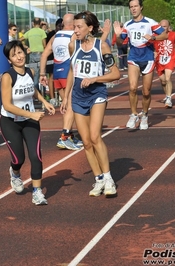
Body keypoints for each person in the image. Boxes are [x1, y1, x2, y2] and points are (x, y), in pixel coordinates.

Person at [60, 11, 120, 197]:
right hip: (78, 97)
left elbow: (116, 74)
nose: (75, 30)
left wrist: (95, 79)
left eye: (79, 27)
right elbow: (72, 71)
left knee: (95, 137)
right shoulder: (73, 46)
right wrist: (66, 96)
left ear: (90, 28)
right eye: (74, 26)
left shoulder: (101, 46)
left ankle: (109, 178)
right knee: (86, 142)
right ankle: (98, 179)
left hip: (97, 95)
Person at [0, 40, 55, 205]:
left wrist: (45, 102)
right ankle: (15, 173)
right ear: (9, 60)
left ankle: (37, 192)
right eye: (14, 55)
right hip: (10, 123)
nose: (18, 57)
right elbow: (7, 105)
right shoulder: (7, 77)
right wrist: (31, 114)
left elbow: (32, 90)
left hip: (30, 122)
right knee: (19, 159)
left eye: (20, 52)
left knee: (36, 156)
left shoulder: (30, 71)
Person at [113, 0, 167, 130]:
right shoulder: (127, 24)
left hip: (147, 58)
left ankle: (145, 115)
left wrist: (153, 38)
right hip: (133, 58)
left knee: (146, 92)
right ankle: (133, 114)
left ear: (141, 7)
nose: (133, 9)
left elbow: (165, 35)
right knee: (132, 88)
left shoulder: (150, 22)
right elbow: (121, 44)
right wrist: (118, 34)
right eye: (131, 7)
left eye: (135, 6)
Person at [40, 14, 83, 151]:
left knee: (65, 105)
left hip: (57, 74)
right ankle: (64, 136)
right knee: (71, 105)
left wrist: (42, 73)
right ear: (72, 23)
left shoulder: (56, 35)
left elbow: (44, 54)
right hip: (67, 73)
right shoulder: (74, 35)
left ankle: (69, 134)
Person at [154, 20, 175, 108]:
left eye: (165, 26)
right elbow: (150, 44)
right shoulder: (155, 36)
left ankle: (168, 98)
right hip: (159, 60)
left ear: (168, 27)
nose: (163, 28)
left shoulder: (173, 34)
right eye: (161, 26)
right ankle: (167, 95)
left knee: (167, 78)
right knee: (163, 81)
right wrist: (153, 52)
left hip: (170, 59)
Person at [20, 17, 47, 90]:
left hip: (32, 54)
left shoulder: (29, 32)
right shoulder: (42, 32)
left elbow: (19, 40)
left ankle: (35, 94)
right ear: (40, 23)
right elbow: (44, 45)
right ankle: (43, 94)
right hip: (40, 54)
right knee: (42, 74)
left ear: (33, 23)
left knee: (34, 75)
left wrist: (26, 47)